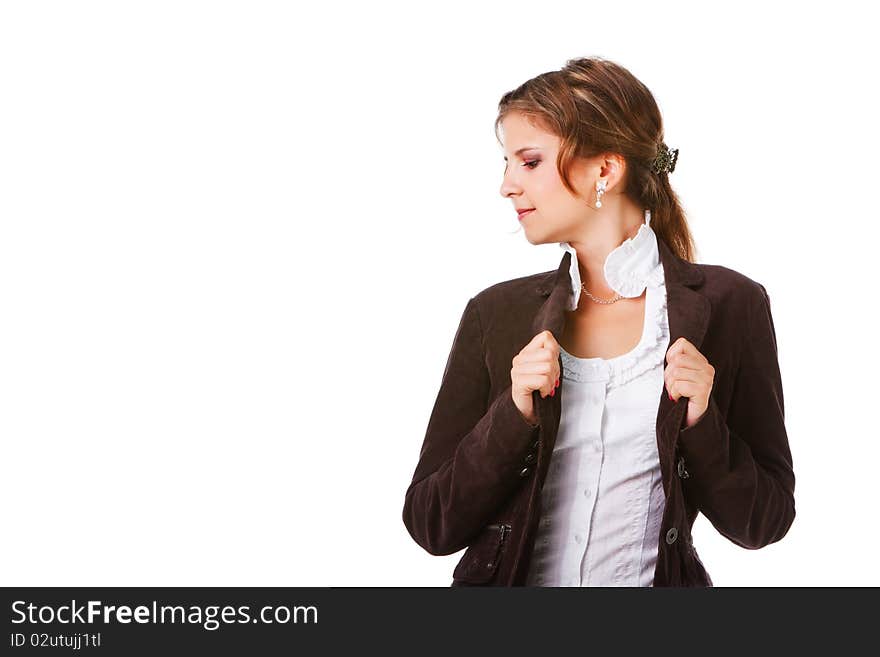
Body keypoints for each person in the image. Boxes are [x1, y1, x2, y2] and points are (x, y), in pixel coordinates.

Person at [401, 56, 795, 586]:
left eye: (530, 161)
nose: (508, 186)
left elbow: (763, 521)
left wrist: (703, 422)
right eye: (507, 163)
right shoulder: (496, 314)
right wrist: (512, 414)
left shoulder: (732, 305)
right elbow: (431, 524)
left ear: (605, 171)